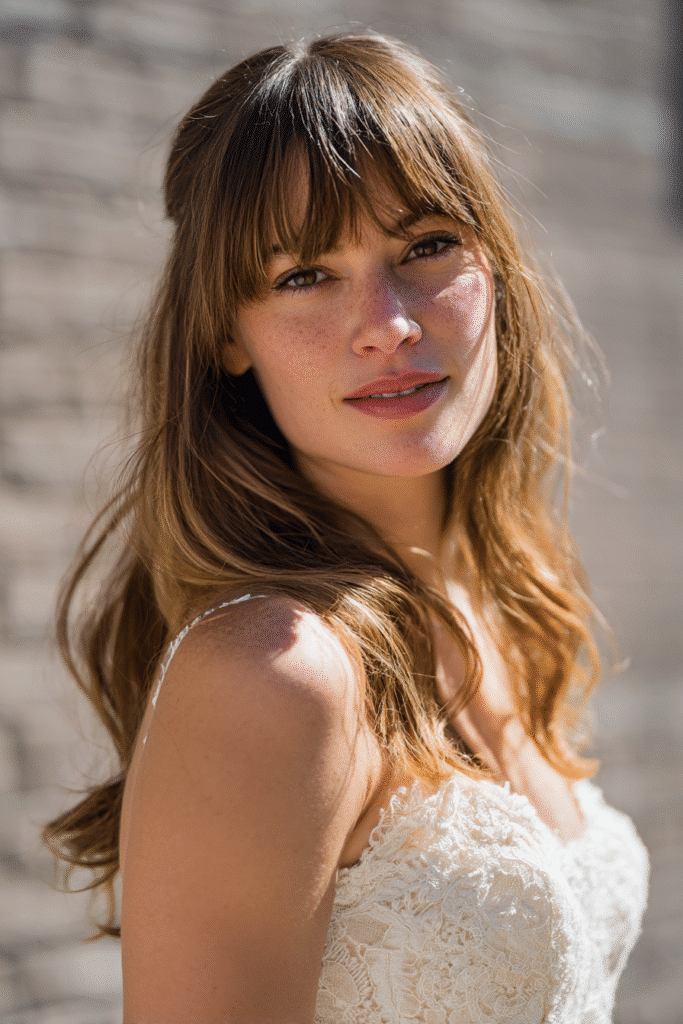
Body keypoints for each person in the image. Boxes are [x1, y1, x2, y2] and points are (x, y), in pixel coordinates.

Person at [42, 31, 649, 1024]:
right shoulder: (273, 672)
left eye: (424, 246)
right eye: (303, 276)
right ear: (226, 336)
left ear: (491, 264)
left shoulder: (499, 598)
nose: (389, 322)